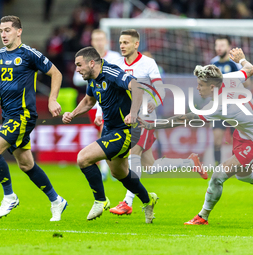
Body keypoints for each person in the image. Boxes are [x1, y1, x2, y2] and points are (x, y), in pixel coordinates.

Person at [139, 48, 253, 225]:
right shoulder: (229, 78)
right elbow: (250, 69)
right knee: (243, 175)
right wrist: (242, 59)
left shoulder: (218, 106)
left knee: (218, 175)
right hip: (245, 133)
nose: (197, 88)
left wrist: (154, 125)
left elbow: (183, 119)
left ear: (212, 86)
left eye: (200, 85)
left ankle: (202, 216)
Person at [0, 15, 67, 221]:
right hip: (8, 117)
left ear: (19, 31)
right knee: (26, 164)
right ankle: (56, 200)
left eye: (8, 30)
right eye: (1, 30)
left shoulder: (29, 54)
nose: (3, 34)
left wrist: (52, 100)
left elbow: (56, 73)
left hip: (23, 116)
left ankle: (9, 196)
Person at [106, 29, 207, 216]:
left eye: (126, 42)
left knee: (133, 153)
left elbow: (161, 89)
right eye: (120, 42)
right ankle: (189, 162)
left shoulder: (148, 63)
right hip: (126, 117)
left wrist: (155, 101)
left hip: (145, 118)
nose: (122, 46)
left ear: (136, 44)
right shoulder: (116, 63)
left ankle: (127, 202)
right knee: (150, 167)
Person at [63, 46, 158, 223]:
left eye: (79, 65)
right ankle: (148, 199)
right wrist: (73, 113)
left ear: (92, 63)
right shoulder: (92, 78)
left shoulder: (110, 72)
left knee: (83, 158)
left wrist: (134, 112)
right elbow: (89, 101)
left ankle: (100, 200)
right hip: (110, 129)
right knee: (119, 173)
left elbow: (137, 86)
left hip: (125, 130)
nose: (77, 69)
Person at [73, 29, 121, 181]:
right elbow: (76, 78)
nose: (99, 42)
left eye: (101, 39)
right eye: (96, 39)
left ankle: (107, 170)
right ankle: (110, 168)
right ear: (92, 42)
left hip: (111, 103)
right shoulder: (87, 59)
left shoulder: (115, 57)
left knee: (106, 134)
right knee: (102, 136)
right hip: (94, 104)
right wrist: (93, 74)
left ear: (106, 41)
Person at [210, 35, 241, 166]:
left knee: (237, 141)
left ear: (229, 47)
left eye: (222, 45)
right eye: (217, 45)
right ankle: (217, 167)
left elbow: (248, 82)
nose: (219, 48)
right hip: (219, 108)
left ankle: (236, 166)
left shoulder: (235, 64)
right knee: (217, 141)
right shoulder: (213, 63)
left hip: (234, 108)